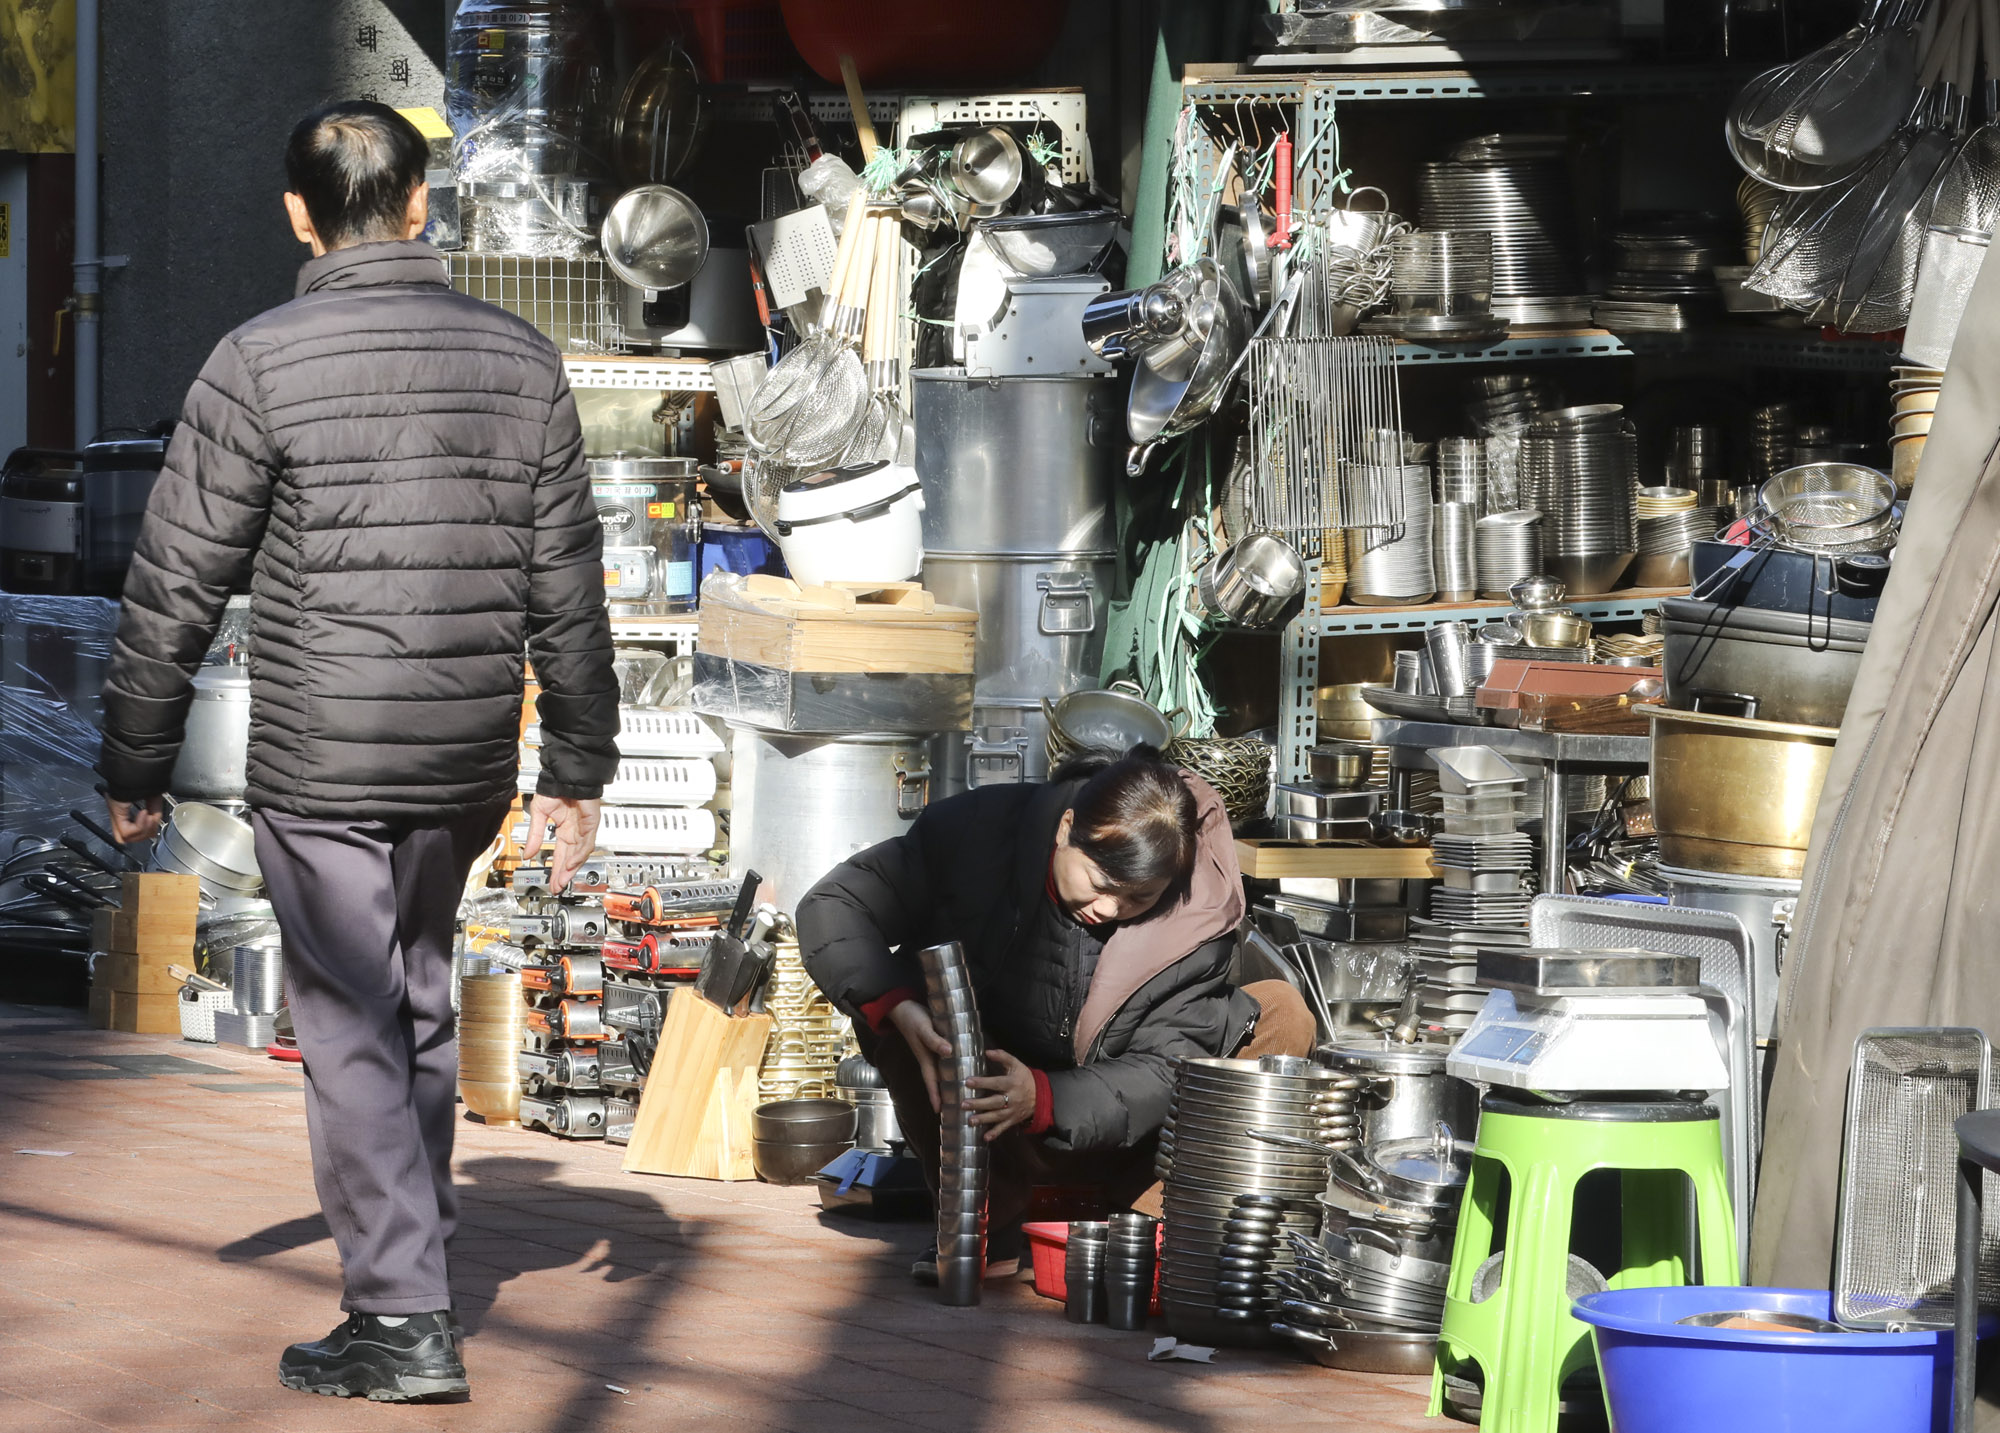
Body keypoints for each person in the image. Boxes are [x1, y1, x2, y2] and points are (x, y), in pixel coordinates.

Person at [95, 101, 619, 1402]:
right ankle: (411, 1268)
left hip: (325, 759)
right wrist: (578, 771)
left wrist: (133, 760)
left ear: (296, 212)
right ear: (421, 202)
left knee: (350, 1023)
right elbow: (569, 582)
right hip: (461, 762)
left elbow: (175, 583)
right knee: (415, 995)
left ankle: (400, 1314)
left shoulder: (256, 361)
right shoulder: (520, 360)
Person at [798, 744, 1315, 1282]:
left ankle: (1155, 1228)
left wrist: (1044, 1098)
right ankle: (983, 1222)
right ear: (1066, 828)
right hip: (992, 1132)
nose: (1111, 909)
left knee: (1282, 1011)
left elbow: (1166, 1070)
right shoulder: (977, 832)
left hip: (1134, 1149)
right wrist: (899, 1011)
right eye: (1101, 883)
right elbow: (835, 905)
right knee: (899, 1000)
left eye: (1140, 898)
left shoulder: (1195, 915)